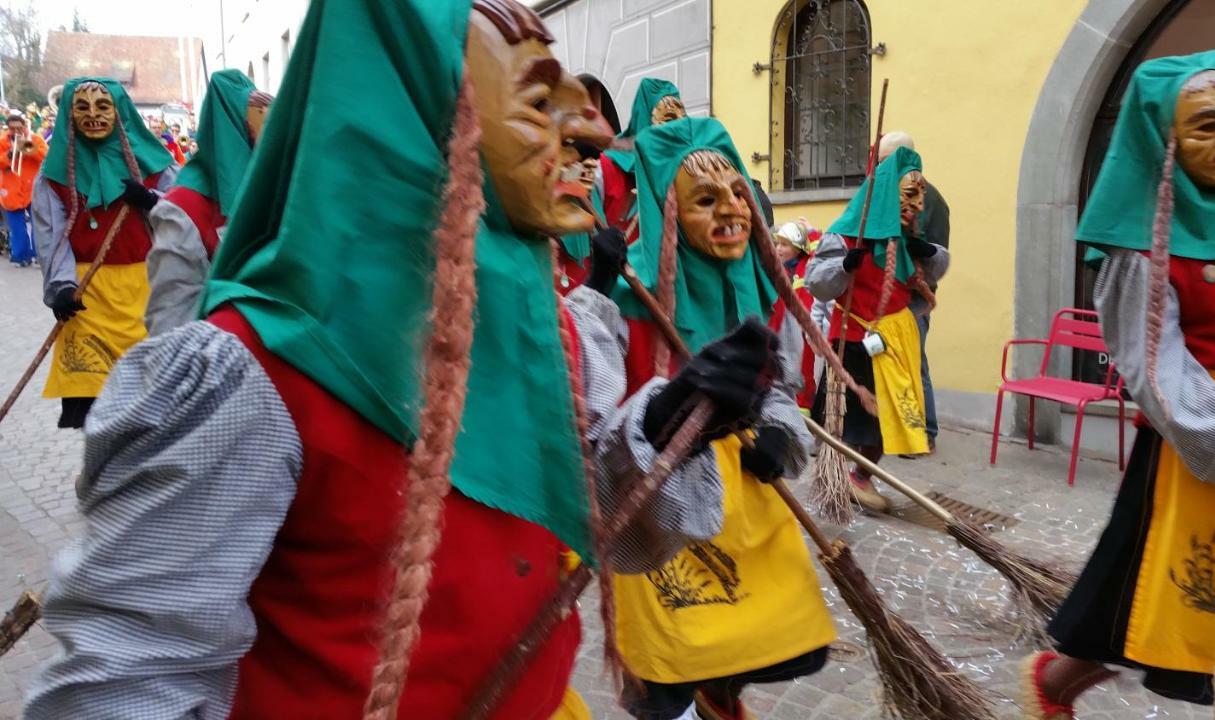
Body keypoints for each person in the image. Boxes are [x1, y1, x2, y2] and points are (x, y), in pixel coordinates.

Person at [23, 2, 777, 718]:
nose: (591, 133)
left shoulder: (554, 336)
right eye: (540, 104)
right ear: (422, 120)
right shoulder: (253, 379)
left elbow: (606, 529)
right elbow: (127, 676)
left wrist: (671, 422)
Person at [1022, 50, 1215, 719]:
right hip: (1203, 437)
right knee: (1150, 598)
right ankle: (1054, 683)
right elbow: (1152, 366)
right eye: (1208, 124)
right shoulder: (1143, 246)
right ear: (1164, 141)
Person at [610, 116, 832, 720]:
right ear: (670, 214)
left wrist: (780, 434)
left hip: (749, 486)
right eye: (705, 200)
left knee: (770, 631)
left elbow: (781, 381)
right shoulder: (627, 298)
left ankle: (721, 693)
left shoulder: (759, 289)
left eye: (737, 193)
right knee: (669, 660)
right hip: (664, 495)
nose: (731, 210)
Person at [807, 147, 950, 512]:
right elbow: (817, 283)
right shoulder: (845, 236)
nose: (918, 205)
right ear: (887, 193)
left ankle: (860, 477)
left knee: (891, 421)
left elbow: (935, 272)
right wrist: (844, 266)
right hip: (853, 340)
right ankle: (835, 476)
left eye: (921, 196)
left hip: (896, 342)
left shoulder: (909, 242)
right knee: (843, 420)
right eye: (909, 195)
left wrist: (929, 254)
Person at [32, 78, 179, 429]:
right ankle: (103, 473)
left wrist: (150, 201)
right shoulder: (53, 177)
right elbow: (52, 236)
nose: (93, 115)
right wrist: (61, 287)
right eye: (82, 107)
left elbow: (183, 217)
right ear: (69, 114)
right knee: (99, 407)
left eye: (103, 106)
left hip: (146, 295)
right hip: (88, 296)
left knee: (152, 401)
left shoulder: (156, 167)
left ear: (120, 111)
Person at [145, 69, 273, 334]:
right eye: (262, 123)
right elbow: (170, 317)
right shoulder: (183, 208)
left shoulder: (269, 190)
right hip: (217, 351)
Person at [877, 131, 950, 452]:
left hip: (913, 298)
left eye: (884, 161)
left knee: (915, 363)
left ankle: (927, 433)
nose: (879, 167)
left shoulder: (931, 199)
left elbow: (938, 256)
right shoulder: (882, 193)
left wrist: (921, 250)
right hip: (882, 297)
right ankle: (899, 431)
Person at [600, 78, 686, 241]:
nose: (673, 132)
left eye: (680, 122)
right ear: (644, 120)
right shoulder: (606, 167)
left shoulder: (685, 170)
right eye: (667, 121)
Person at [770, 218, 819, 411]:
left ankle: (803, 412)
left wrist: (812, 232)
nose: (779, 249)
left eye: (784, 245)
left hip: (802, 330)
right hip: (782, 329)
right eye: (777, 244)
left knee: (803, 372)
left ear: (798, 249)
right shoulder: (776, 268)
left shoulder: (806, 265)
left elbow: (821, 254)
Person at [0, 110, 47, 267]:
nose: (16, 131)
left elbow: (45, 156)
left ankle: (38, 256)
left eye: (19, 128)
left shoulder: (34, 139)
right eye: (12, 128)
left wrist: (28, 148)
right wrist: (9, 154)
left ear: (24, 126)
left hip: (32, 190)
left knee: (38, 226)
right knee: (17, 228)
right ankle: (21, 256)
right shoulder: (2, 141)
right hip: (11, 191)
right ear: (8, 128)